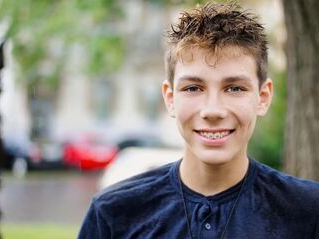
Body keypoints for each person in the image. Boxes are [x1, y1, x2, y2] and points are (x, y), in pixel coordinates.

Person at [78, 2, 319, 238]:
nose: (212, 110)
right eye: (193, 88)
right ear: (170, 98)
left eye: (234, 88)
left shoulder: (308, 210)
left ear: (263, 97)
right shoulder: (113, 213)